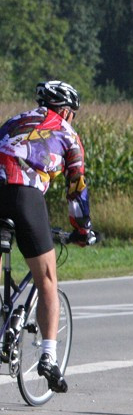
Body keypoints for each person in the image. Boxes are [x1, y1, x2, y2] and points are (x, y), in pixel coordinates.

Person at [0, 80, 95, 393]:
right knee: (47, 281)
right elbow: (76, 188)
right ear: (66, 111)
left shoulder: (13, 121)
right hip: (24, 194)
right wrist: (82, 230)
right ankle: (48, 357)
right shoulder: (67, 133)